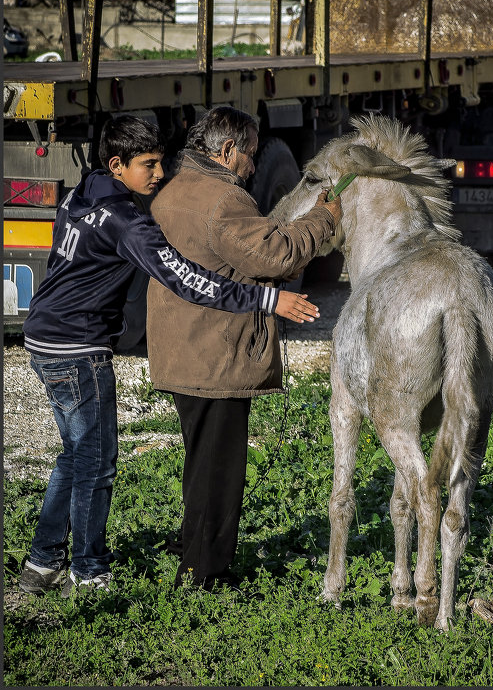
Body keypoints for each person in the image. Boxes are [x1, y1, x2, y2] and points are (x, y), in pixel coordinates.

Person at [18, 115, 321, 598]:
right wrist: (268, 300)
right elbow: (188, 279)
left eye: (162, 161)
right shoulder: (127, 221)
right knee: (98, 462)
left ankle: (41, 560)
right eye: (149, 164)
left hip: (43, 336)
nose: (160, 174)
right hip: (79, 347)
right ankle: (89, 571)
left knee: (75, 456)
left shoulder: (84, 190)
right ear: (117, 165)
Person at [146, 105, 342, 590]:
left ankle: (195, 552)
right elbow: (276, 254)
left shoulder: (172, 187)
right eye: (250, 155)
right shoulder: (222, 202)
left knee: (200, 463)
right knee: (220, 472)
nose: (254, 166)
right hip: (217, 355)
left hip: (182, 350)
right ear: (227, 150)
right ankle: (203, 575)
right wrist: (323, 218)